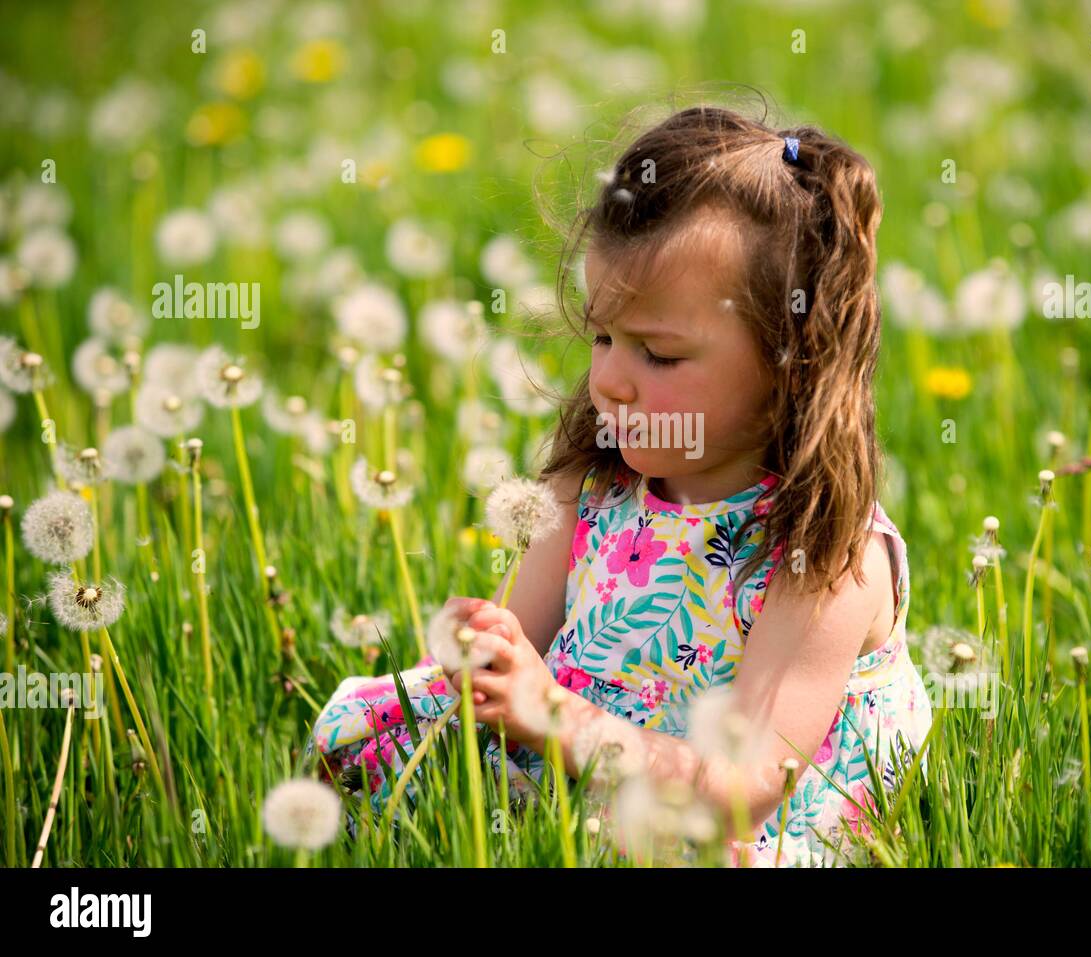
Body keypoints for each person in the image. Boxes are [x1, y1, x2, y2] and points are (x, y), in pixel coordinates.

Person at [309, 104, 932, 867]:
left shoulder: (828, 556)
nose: (608, 379)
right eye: (603, 336)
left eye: (659, 355)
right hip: (584, 763)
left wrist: (556, 716)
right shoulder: (597, 479)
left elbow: (744, 786)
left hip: (721, 818)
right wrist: (488, 650)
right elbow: (522, 636)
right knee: (380, 748)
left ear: (792, 362)